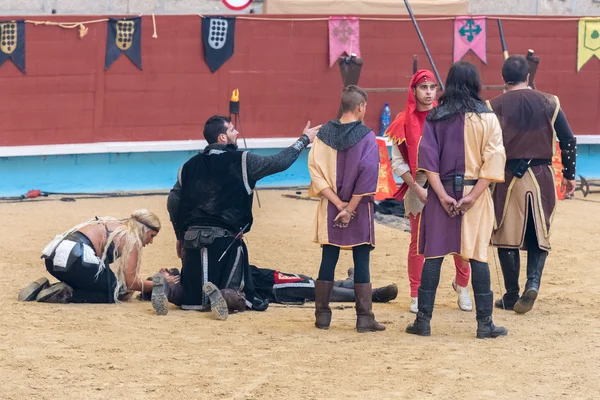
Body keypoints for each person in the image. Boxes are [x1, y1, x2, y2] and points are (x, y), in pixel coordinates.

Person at [163, 115, 321, 315]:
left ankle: (169, 290)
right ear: (222, 138)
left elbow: (173, 201)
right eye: (232, 130)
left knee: (190, 292)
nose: (237, 133)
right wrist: (304, 140)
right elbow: (278, 162)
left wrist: (180, 235)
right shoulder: (243, 160)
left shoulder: (187, 167)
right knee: (239, 291)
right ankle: (226, 297)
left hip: (192, 242)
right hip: (225, 243)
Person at [405, 61, 508, 339]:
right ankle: (484, 324)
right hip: (475, 193)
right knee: (477, 256)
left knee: (434, 256)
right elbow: (494, 160)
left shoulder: (436, 118)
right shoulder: (487, 118)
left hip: (442, 195)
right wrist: (473, 196)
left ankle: (423, 322)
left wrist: (441, 195)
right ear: (476, 84)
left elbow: (428, 163)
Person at [487, 55, 577, 314]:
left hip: (506, 177)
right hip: (541, 175)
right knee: (539, 232)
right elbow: (568, 140)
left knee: (506, 235)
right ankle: (533, 283)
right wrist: (570, 174)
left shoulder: (493, 105)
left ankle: (511, 293)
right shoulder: (550, 101)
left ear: (504, 80)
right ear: (528, 77)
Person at [386, 69, 472, 314]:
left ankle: (463, 285)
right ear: (413, 91)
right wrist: (416, 188)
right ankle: (416, 293)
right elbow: (398, 163)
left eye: (432, 87)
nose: (428, 92)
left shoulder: (447, 117)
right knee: (418, 244)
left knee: (459, 239)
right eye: (423, 87)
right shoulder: (402, 122)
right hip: (419, 186)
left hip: (448, 184)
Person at [308, 85, 385, 333]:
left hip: (331, 206)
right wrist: (350, 209)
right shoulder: (367, 136)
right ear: (361, 107)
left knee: (328, 256)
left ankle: (322, 316)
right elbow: (368, 174)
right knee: (361, 257)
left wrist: (337, 203)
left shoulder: (323, 134)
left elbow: (315, 172)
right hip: (358, 208)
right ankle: (364, 318)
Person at [18, 209, 164, 304]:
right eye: (151, 236)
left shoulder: (112, 223)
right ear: (144, 229)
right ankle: (66, 294)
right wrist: (160, 283)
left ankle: (46, 288)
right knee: (118, 292)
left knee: (100, 283)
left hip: (52, 259)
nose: (150, 241)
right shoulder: (132, 238)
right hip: (76, 261)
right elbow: (131, 283)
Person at [140, 266, 398, 308]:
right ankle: (371, 296)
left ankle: (350, 283)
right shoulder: (185, 283)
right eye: (162, 272)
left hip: (261, 275)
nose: (166, 269)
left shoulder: (191, 270)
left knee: (306, 280)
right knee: (314, 290)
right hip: (266, 286)